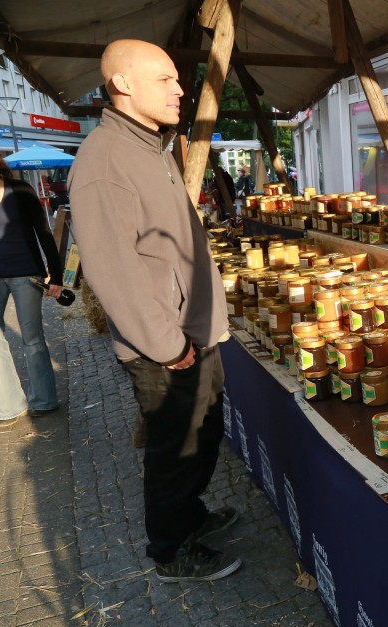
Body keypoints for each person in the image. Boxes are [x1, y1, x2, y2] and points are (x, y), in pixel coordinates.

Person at [68, 39, 241, 583]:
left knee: (203, 437)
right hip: (165, 343)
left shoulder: (152, 146)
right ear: (123, 84)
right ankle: (170, 551)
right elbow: (112, 269)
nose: (179, 89)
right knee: (175, 450)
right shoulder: (104, 159)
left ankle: (190, 516)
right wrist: (167, 345)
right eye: (165, 78)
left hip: (193, 329)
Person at [0, 157, 63, 419]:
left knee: (32, 338)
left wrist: (56, 275)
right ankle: (8, 405)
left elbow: (44, 232)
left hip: (26, 274)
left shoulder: (21, 191)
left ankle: (44, 401)